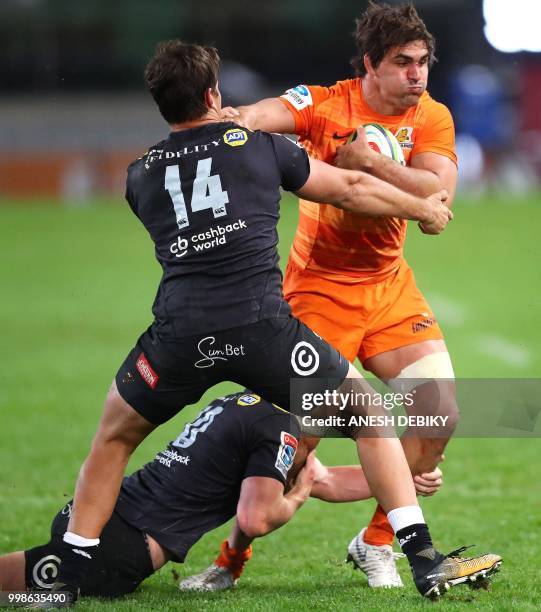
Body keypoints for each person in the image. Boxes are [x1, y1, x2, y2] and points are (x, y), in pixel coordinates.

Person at [41, 39, 492, 606]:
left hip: (179, 335)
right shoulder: (260, 146)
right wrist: (421, 207)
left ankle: (71, 564)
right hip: (263, 326)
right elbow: (348, 185)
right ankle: (421, 557)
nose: (416, 73)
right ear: (214, 93)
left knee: (113, 435)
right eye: (404, 61)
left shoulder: (138, 176)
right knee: (366, 417)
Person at [220, 1, 461, 588]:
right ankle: (230, 561)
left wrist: (370, 163)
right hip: (319, 294)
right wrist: (237, 118)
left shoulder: (432, 116)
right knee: (292, 451)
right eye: (403, 63)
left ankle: (377, 542)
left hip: (388, 289)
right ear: (369, 66)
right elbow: (264, 112)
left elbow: (437, 194)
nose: (417, 75)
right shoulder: (327, 103)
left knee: (441, 416)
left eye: (423, 62)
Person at [0, 392, 446, 597]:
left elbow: (325, 478)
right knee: (29, 589)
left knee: (43, 583)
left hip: (88, 515)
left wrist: (402, 479)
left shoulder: (251, 405)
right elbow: (257, 518)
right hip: (122, 549)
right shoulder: (283, 434)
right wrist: (300, 492)